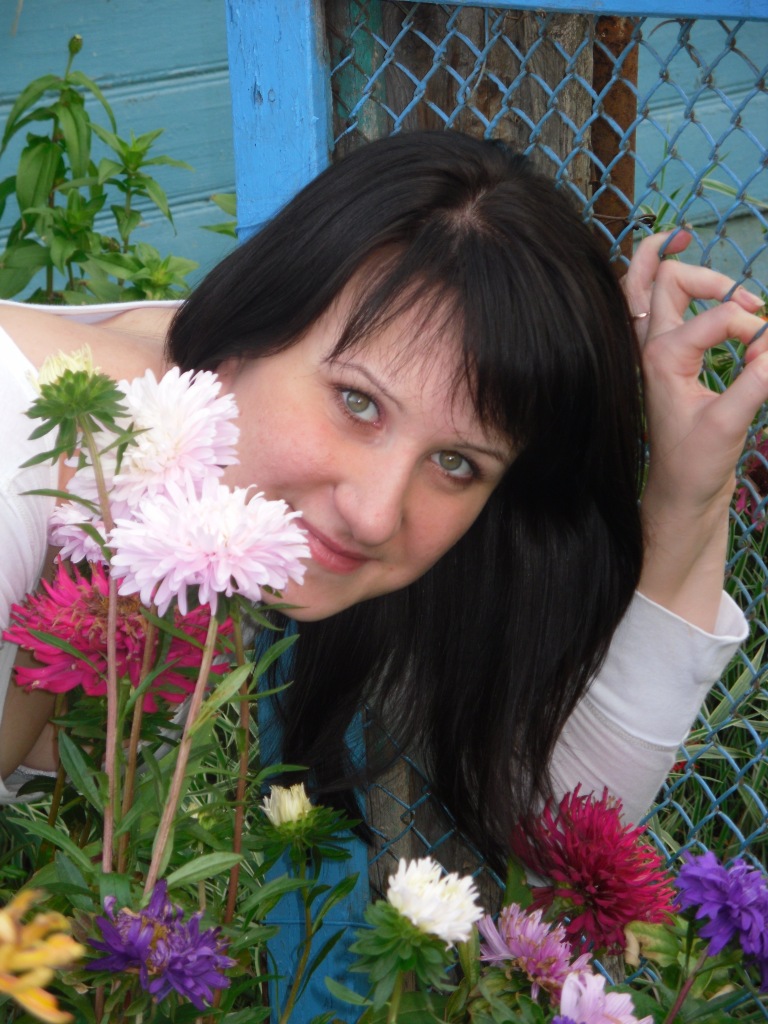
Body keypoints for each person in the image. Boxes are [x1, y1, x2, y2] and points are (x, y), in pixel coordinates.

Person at [0, 132, 762, 870]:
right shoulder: (16, 454)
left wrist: (687, 499)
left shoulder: (234, 481)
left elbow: (561, 833)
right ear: (250, 327)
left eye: (457, 462)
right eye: (357, 403)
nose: (374, 515)